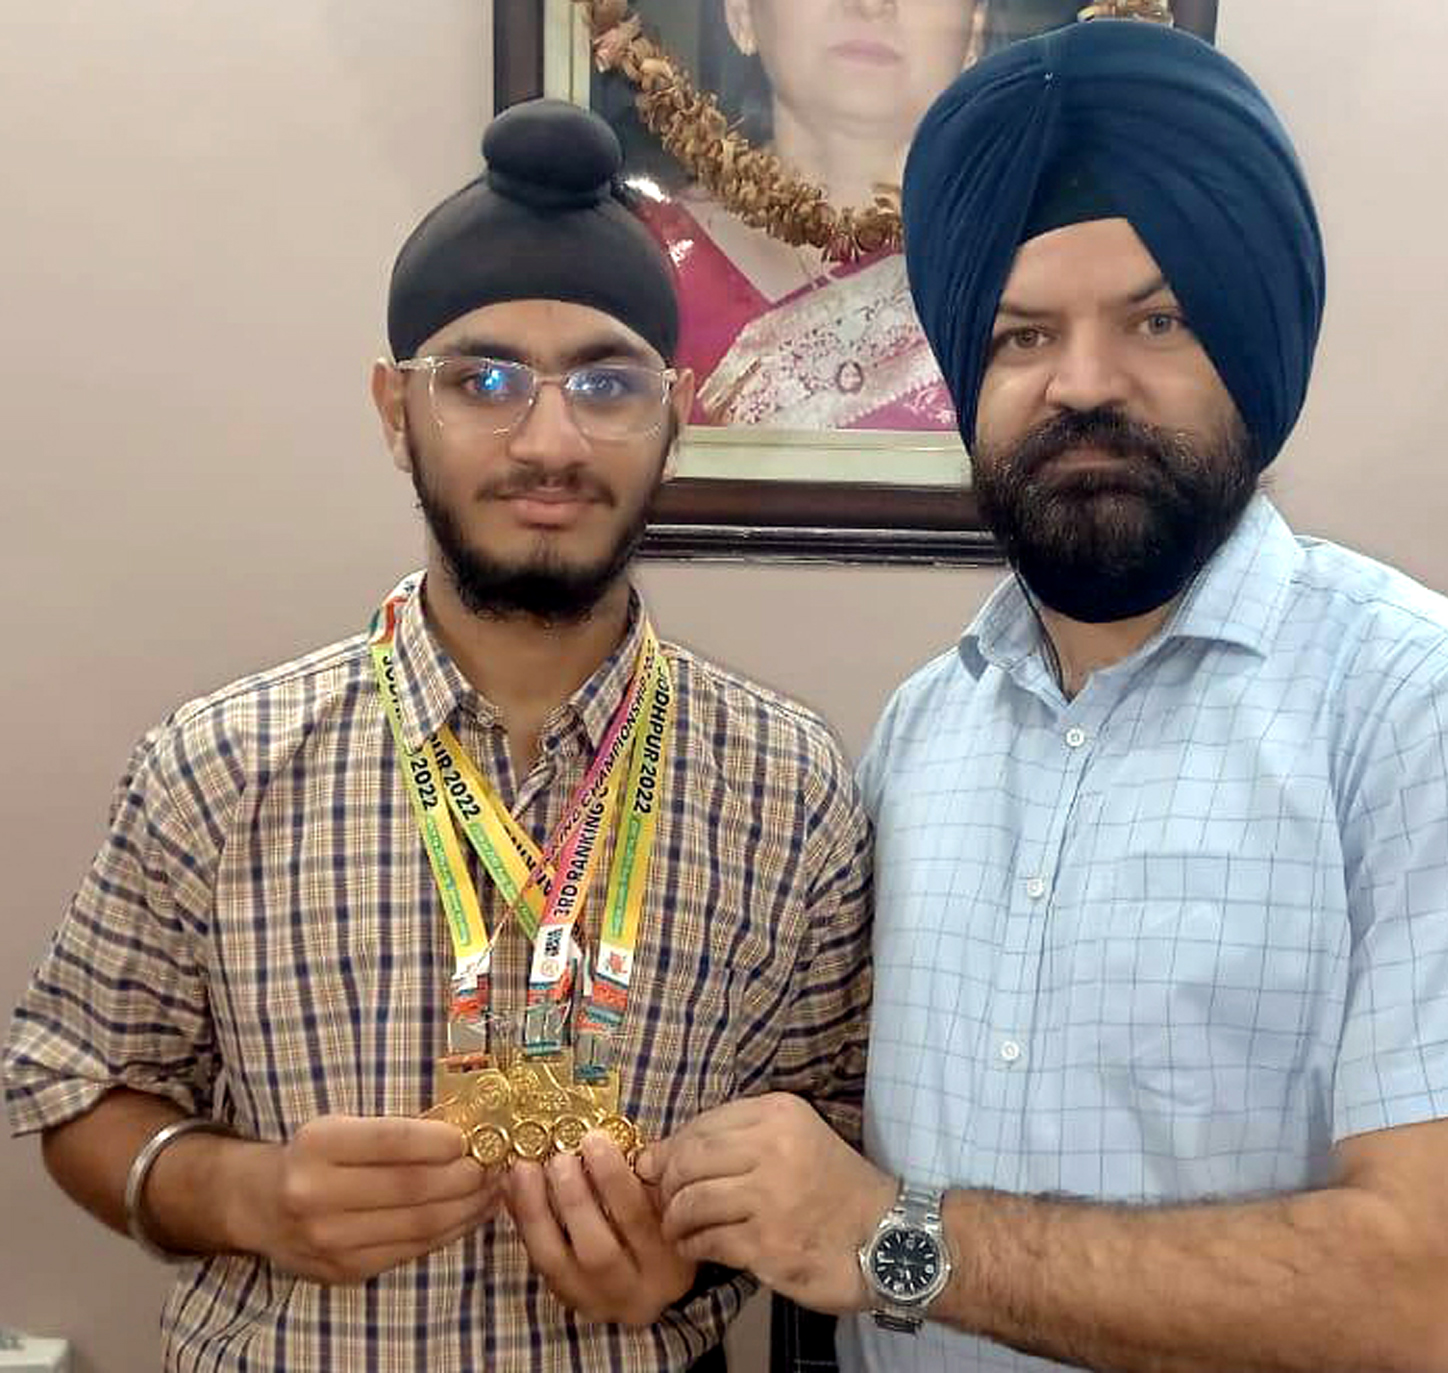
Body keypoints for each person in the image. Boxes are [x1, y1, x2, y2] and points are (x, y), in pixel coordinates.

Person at [635, 18, 1448, 1373]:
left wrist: (901, 1236)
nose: (1082, 384)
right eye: (1017, 334)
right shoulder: (918, 734)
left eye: (1157, 319)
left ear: (1253, 344)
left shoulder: (1439, 711)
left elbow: (1427, 1300)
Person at [2, 100, 871, 1373]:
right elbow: (74, 1084)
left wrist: (697, 1253)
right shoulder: (219, 762)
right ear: (392, 407)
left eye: (607, 382)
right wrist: (239, 1195)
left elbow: (827, 1132)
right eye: (482, 380)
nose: (549, 439)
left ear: (678, 411)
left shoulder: (793, 789)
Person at [637, 0, 987, 429]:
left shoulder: (1026, 253)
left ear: (975, 26)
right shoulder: (642, 259)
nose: (872, 6)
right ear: (742, 13)